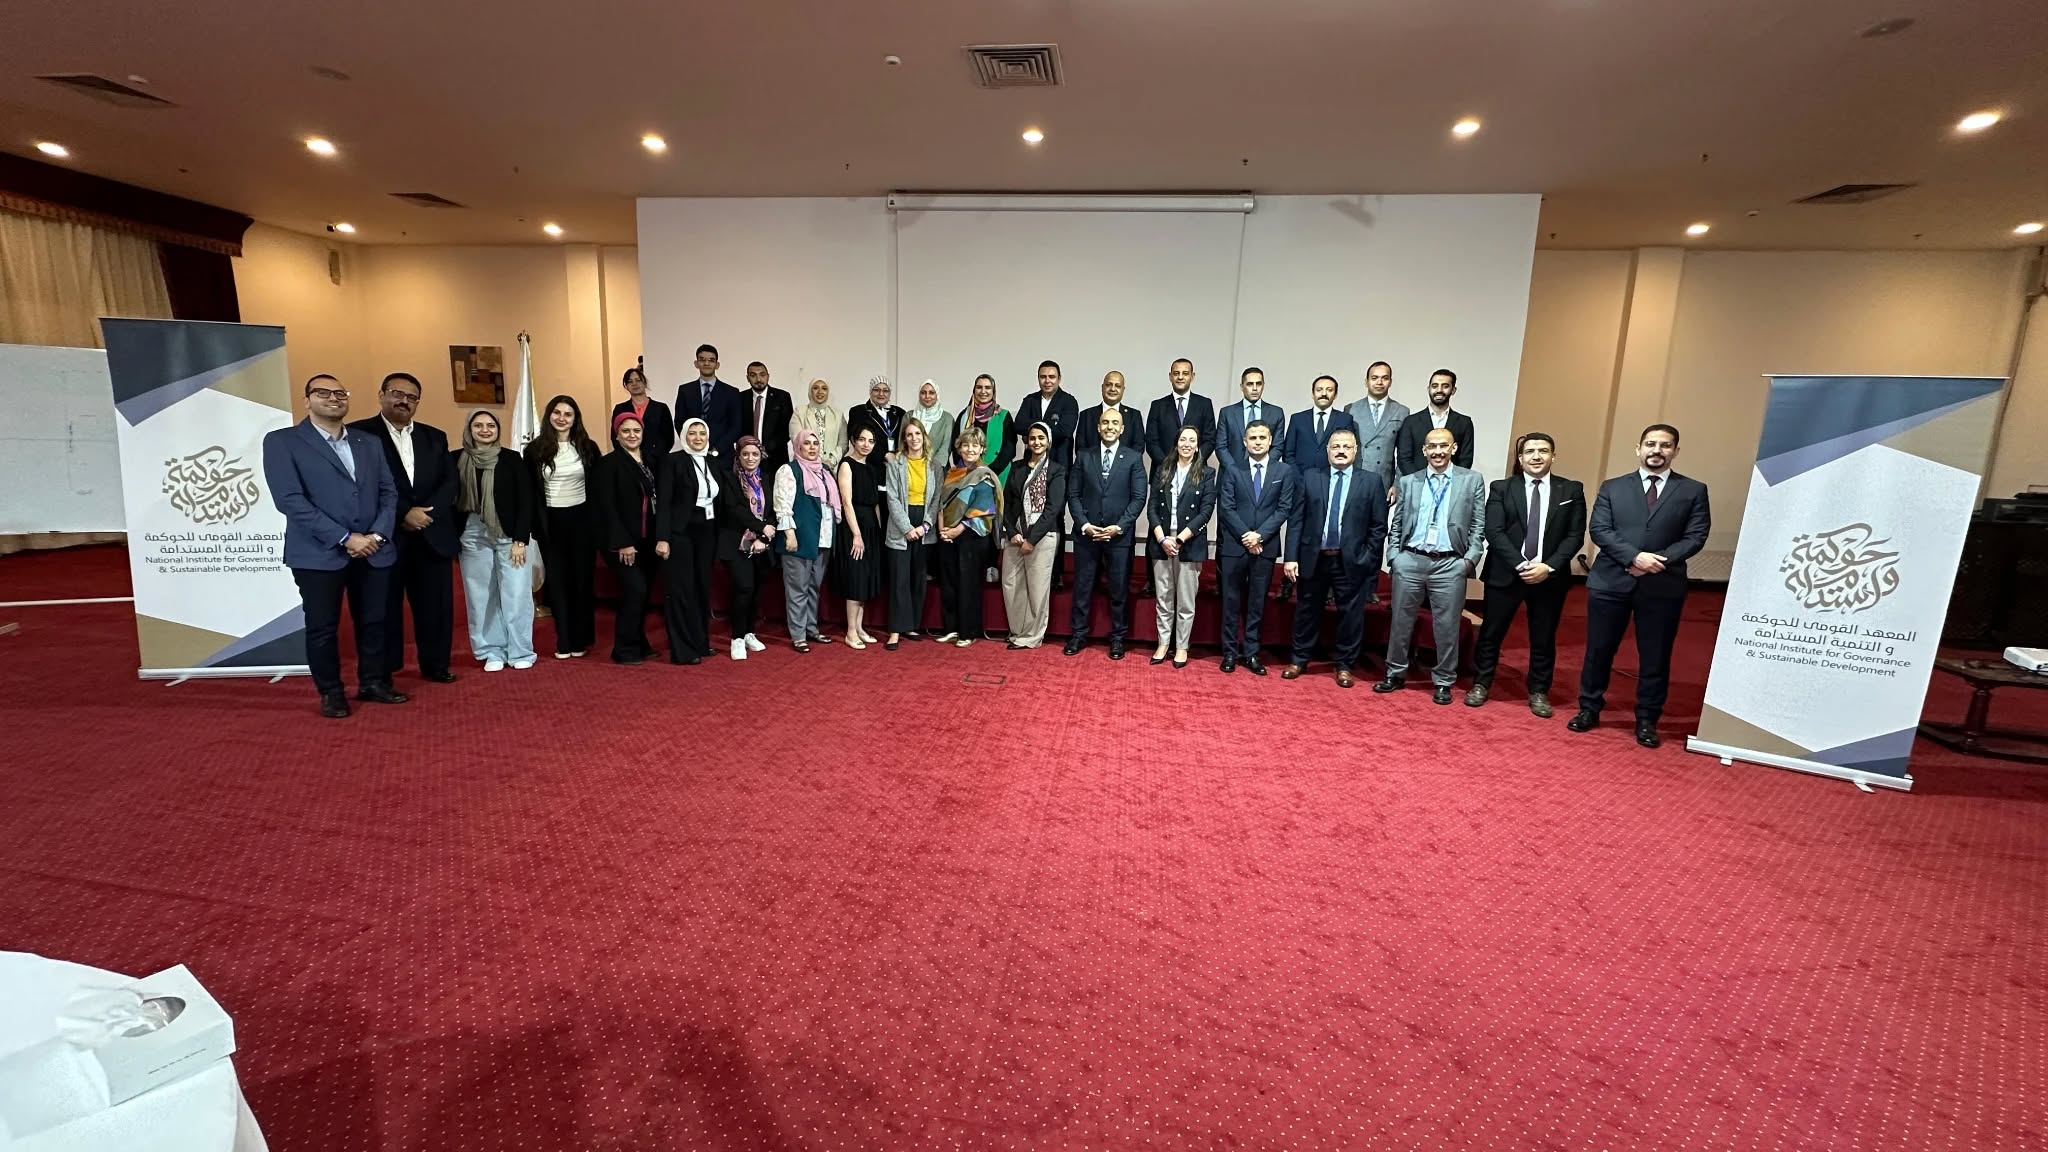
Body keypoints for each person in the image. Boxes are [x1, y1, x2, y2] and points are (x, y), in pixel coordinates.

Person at [261, 374, 404, 717]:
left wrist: (376, 536)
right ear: (307, 401)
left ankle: (373, 682)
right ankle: (331, 692)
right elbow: (290, 500)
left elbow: (388, 492)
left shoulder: (368, 442)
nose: (334, 398)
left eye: (340, 393)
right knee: (323, 626)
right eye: (323, 392)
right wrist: (345, 537)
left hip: (373, 549)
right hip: (318, 552)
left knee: (374, 621)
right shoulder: (283, 441)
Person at [1570, 424, 1711, 748]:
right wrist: (1634, 557)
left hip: (1662, 583)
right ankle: (1589, 708)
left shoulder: (1693, 490)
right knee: (1599, 650)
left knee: (1655, 655)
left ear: (1675, 451)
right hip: (1611, 581)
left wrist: (1656, 561)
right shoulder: (1613, 487)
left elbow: (1695, 536)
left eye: (1665, 445)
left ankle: (1647, 719)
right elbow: (1600, 529)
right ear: (1638, 448)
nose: (1656, 450)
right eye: (1650, 444)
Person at [348, 371, 458, 684]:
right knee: (382, 606)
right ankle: (383, 671)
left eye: (411, 397)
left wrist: (425, 514)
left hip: (431, 534)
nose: (404, 401)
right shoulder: (358, 434)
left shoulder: (434, 436)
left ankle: (435, 664)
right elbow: (362, 484)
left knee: (434, 606)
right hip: (384, 535)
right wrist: (404, 514)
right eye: (397, 394)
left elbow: (449, 482)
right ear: (382, 395)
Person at [1469, 432, 1586, 717]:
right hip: (1506, 574)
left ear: (1553, 456)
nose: (1536, 456)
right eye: (1530, 451)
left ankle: (1539, 691)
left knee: (1543, 637)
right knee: (1491, 633)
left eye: (1543, 451)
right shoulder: (1501, 488)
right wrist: (1521, 564)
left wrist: (1548, 566)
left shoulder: (1570, 490)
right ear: (1520, 458)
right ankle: (1481, 683)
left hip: (1549, 577)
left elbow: (1574, 536)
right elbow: (1494, 531)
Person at [1377, 427, 1487, 704]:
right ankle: (1395, 672)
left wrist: (1469, 561)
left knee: (1447, 626)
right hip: (1410, 561)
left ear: (1453, 448)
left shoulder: (1471, 480)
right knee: (1401, 622)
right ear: (1424, 451)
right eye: (1432, 446)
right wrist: (1395, 556)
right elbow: (1397, 523)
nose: (1438, 451)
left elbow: (1478, 525)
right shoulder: (1409, 482)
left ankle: (1444, 680)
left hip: (1450, 564)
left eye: (1443, 445)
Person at [1282, 428, 1388, 687]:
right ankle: (1299, 659)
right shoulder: (1310, 477)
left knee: (1351, 616)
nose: (1341, 451)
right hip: (1314, 558)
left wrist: (1367, 558)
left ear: (1355, 450)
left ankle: (1344, 665)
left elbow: (1378, 527)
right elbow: (1296, 520)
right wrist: (1291, 557)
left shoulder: (1371, 481)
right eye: (1336, 446)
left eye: (1346, 446)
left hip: (1351, 561)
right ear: (1328, 450)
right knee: (1307, 612)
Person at [452, 409, 537, 672]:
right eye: (478, 425)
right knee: (480, 595)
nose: (485, 430)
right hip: (472, 533)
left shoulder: (511, 459)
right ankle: (491, 651)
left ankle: (520, 650)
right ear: (469, 429)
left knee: (516, 593)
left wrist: (521, 540)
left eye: (491, 425)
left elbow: (526, 500)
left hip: (509, 534)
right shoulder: (455, 459)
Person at [1216, 419, 1300, 675]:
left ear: (1270, 440)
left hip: (1265, 547)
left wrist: (1259, 536)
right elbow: (1226, 507)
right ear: (1245, 441)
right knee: (1231, 601)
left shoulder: (1283, 471)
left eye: (1262, 437)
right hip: (1235, 545)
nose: (1258, 442)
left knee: (1257, 602)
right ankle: (1229, 653)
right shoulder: (1233, 470)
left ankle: (1251, 653)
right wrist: (1246, 536)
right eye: (1252, 438)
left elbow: (1284, 508)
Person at [1065, 407, 1147, 659]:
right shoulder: (1084, 456)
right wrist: (1085, 525)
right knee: (1082, 588)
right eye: (1105, 422)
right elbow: (1073, 495)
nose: (1110, 427)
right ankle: (1078, 634)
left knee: (1119, 590)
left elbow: (1138, 497)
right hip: (1087, 536)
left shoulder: (1133, 458)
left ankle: (1118, 638)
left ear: (1122, 429)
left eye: (1115, 423)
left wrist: (1119, 526)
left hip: (1118, 537)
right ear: (1098, 427)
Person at [525, 394, 602, 659]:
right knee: (557, 582)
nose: (562, 418)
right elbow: (530, 492)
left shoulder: (588, 447)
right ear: (549, 416)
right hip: (551, 523)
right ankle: (564, 639)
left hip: (582, 521)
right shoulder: (534, 450)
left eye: (568, 414)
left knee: (581, 580)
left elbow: (598, 489)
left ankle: (580, 638)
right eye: (557, 413)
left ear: (575, 418)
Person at [652, 417, 721, 665]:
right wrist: (663, 538)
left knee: (702, 588)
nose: (698, 438)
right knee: (681, 590)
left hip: (707, 532)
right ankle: (683, 650)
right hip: (680, 532)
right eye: (692, 433)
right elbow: (664, 502)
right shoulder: (673, 461)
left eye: (702, 433)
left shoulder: (713, 462)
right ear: (683, 436)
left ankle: (700, 642)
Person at [1148, 425, 1218, 669]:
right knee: (1163, 598)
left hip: (1188, 543)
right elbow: (1152, 507)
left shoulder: (1207, 473)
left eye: (1192, 440)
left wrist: (1178, 540)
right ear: (1176, 443)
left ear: (1197, 446)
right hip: (1162, 541)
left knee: (1186, 601)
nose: (1187, 444)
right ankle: (1163, 643)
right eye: (1183, 439)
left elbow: (1206, 512)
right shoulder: (1163, 469)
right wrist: (1162, 539)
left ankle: (1181, 646)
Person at [595, 412, 661, 664]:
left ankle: (639, 642)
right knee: (635, 591)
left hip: (648, 539)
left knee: (643, 594)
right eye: (626, 431)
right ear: (617, 435)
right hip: (622, 542)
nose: (632, 435)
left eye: (636, 431)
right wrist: (622, 542)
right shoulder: (608, 464)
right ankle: (623, 649)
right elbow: (606, 507)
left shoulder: (650, 460)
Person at [1001, 422, 1067, 650]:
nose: (1036, 442)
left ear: (1048, 442)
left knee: (1037, 589)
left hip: (1042, 537)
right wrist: (1012, 532)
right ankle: (1018, 631)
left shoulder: (1056, 470)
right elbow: (1007, 502)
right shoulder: (1017, 467)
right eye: (1032, 438)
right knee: (1011, 584)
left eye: (1041, 438)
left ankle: (1032, 636)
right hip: (1016, 536)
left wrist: (1031, 539)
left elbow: (1053, 508)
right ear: (1027, 442)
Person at [935, 428, 1002, 647]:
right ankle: (951, 629)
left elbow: (983, 510)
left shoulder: (984, 475)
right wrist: (943, 528)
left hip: (972, 536)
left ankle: (968, 632)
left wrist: (959, 528)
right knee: (949, 583)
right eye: (966, 445)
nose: (970, 449)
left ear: (982, 449)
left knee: (968, 585)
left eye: (975, 445)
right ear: (959, 448)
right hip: (948, 536)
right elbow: (941, 503)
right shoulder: (951, 473)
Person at [775, 428, 840, 653]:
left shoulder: (825, 471)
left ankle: (811, 629)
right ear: (798, 447)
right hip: (800, 538)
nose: (812, 448)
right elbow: (783, 505)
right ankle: (798, 635)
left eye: (815, 443)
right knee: (798, 589)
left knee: (814, 587)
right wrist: (789, 534)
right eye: (807, 443)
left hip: (822, 537)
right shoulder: (789, 470)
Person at [884, 417, 942, 648]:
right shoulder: (895, 463)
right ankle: (895, 631)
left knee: (918, 579)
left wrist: (925, 525)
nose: (914, 438)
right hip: (901, 525)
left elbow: (936, 500)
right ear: (904, 439)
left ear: (924, 437)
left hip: (924, 526)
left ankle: (910, 625)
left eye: (917, 434)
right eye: (909, 435)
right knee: (899, 579)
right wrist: (907, 528)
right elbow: (892, 498)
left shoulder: (935, 465)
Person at [718, 436, 776, 660]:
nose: (750, 458)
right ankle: (737, 638)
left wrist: (764, 538)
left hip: (761, 544)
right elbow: (734, 510)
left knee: (756, 590)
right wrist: (762, 528)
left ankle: (750, 632)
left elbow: (773, 510)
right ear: (738, 456)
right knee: (744, 588)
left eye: (755, 454)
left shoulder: (766, 478)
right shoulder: (730, 478)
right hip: (735, 542)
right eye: (745, 454)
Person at [834, 426, 887, 648]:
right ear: (853, 441)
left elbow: (875, 504)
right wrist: (856, 534)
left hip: (871, 527)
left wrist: (878, 531)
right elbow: (846, 502)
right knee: (855, 579)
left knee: (865, 579)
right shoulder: (846, 465)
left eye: (871, 441)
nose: (866, 444)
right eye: (862, 439)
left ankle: (860, 627)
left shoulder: (872, 469)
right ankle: (850, 631)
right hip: (854, 527)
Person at [1395, 368, 1476, 475]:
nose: (1439, 390)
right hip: (1417, 482)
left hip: (1453, 483)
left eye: (1445, 386)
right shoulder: (1410, 422)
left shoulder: (1464, 423)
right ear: (1428, 388)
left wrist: (1452, 482)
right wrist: (1419, 482)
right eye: (1434, 386)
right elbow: (1404, 459)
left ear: (1453, 390)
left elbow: (1466, 459)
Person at [1345, 361, 1407, 498]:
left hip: (1383, 480)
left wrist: (1397, 484)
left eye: (1384, 378)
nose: (1379, 382)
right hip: (1355, 478)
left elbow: (1404, 454)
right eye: (1374, 378)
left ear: (1390, 382)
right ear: (1366, 382)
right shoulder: (1351, 409)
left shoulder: (1401, 411)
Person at [674, 343, 744, 460]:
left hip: (722, 455)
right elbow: (680, 421)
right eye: (702, 360)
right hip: (692, 452)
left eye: (711, 360)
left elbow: (735, 427)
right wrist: (691, 445)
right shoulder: (685, 390)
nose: (706, 363)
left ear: (717, 365)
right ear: (696, 364)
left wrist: (717, 449)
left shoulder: (731, 392)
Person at [1145, 357, 1216, 468]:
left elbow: (1210, 440)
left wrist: (1192, 463)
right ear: (1170, 376)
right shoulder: (1157, 406)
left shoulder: (1204, 404)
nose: (1180, 377)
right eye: (1176, 373)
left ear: (1192, 376)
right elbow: (1151, 442)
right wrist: (1169, 465)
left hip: (1195, 470)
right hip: (1163, 470)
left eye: (1185, 373)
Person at [1216, 366, 1285, 473]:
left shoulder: (1276, 413)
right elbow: (1221, 446)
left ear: (1263, 386)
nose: (1254, 388)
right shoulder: (1227, 413)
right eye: (1249, 384)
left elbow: (1278, 446)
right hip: (1231, 473)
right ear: (1241, 386)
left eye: (1258, 384)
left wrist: (1261, 466)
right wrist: (1235, 471)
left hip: (1264, 473)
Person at [1281, 375, 1356, 472]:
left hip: (1332, 477)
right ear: (1313, 394)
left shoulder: (1344, 419)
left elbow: (1349, 452)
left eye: (1329, 390)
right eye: (1319, 390)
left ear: (1335, 395)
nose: (1324, 393)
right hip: (1301, 476)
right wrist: (1297, 476)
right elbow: (1288, 453)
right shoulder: (1297, 419)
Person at [1014, 360, 1079, 466]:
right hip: (1031, 462)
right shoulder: (1030, 400)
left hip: (1059, 462)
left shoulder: (1069, 401)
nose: (1047, 381)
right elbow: (1019, 425)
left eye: (1052, 377)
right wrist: (1051, 424)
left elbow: (1065, 431)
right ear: (1038, 378)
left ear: (1059, 379)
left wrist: (1032, 431)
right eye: (1043, 377)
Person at [958, 373, 1016, 486]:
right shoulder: (965, 416)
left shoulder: (1003, 416)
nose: (983, 391)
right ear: (974, 390)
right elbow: (956, 445)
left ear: (993, 391)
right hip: (968, 475)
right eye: (979, 387)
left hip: (998, 474)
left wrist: (990, 471)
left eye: (988, 388)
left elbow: (1009, 448)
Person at [739, 361, 794, 476]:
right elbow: (738, 428)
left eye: (762, 374)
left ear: (768, 376)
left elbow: (787, 429)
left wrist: (765, 448)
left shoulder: (782, 397)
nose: (758, 379)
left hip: (775, 459)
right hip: (747, 459)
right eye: (753, 375)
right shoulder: (741, 398)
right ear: (747, 378)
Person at [1076, 370, 1145, 459]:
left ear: (1123, 390)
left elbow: (1138, 447)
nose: (1112, 389)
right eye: (1108, 385)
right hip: (1092, 466)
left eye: (1118, 386)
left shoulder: (1134, 416)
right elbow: (1080, 448)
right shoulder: (1086, 415)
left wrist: (1121, 464)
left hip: (1126, 467)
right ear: (1102, 387)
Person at [612, 365, 674, 461]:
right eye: (630, 381)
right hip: (628, 460)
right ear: (626, 386)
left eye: (638, 380)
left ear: (644, 383)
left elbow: (668, 438)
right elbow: (615, 436)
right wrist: (629, 457)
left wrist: (653, 457)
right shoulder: (620, 409)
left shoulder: (661, 408)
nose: (634, 384)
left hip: (657, 461)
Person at [847, 375, 908, 456]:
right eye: (876, 390)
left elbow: (905, 438)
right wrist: (884, 456)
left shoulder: (900, 412)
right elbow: (855, 439)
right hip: (869, 460)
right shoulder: (858, 411)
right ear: (870, 392)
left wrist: (898, 456)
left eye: (885, 390)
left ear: (890, 393)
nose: (881, 394)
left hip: (896, 460)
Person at [907, 380, 954, 482]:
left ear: (937, 395)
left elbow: (946, 447)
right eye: (923, 393)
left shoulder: (947, 418)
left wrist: (931, 468)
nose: (927, 396)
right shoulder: (909, 416)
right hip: (911, 469)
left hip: (938, 470)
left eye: (931, 393)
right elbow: (903, 442)